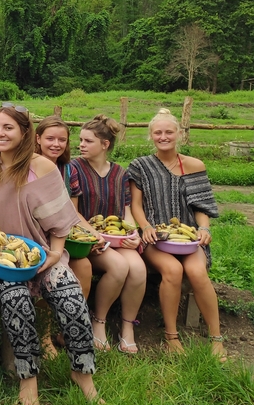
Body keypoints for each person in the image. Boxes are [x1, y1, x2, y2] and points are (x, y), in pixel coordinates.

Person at [0, 103, 98, 405]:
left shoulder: (43, 167)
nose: (0, 134)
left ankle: (82, 373)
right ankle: (27, 379)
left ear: (24, 133)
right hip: (0, 260)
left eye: (8, 128)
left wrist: (57, 253)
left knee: (71, 295)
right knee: (16, 300)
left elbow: (60, 219)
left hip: (41, 254)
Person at [128, 108, 225, 360]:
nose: (163, 136)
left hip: (188, 238)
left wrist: (204, 229)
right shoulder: (140, 166)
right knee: (173, 271)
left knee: (196, 272)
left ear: (179, 134)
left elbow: (201, 206)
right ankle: (171, 336)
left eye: (169, 132)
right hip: (155, 238)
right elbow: (135, 205)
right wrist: (146, 226)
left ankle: (216, 337)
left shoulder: (194, 165)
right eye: (158, 133)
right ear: (150, 136)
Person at [70, 115, 147, 354]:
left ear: (105, 144)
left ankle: (127, 327)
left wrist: (132, 232)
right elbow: (74, 212)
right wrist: (96, 235)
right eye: (80, 140)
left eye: (88, 141)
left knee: (139, 269)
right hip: (87, 239)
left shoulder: (119, 173)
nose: (81, 145)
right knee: (119, 267)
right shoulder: (73, 168)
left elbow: (126, 210)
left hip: (115, 237)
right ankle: (99, 322)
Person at [35, 116, 92, 298]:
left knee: (84, 266)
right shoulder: (27, 167)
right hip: (34, 234)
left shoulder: (68, 170)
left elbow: (72, 212)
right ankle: (47, 323)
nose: (56, 144)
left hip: (61, 235)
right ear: (38, 139)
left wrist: (92, 236)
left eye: (62, 140)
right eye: (50, 139)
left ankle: (70, 318)